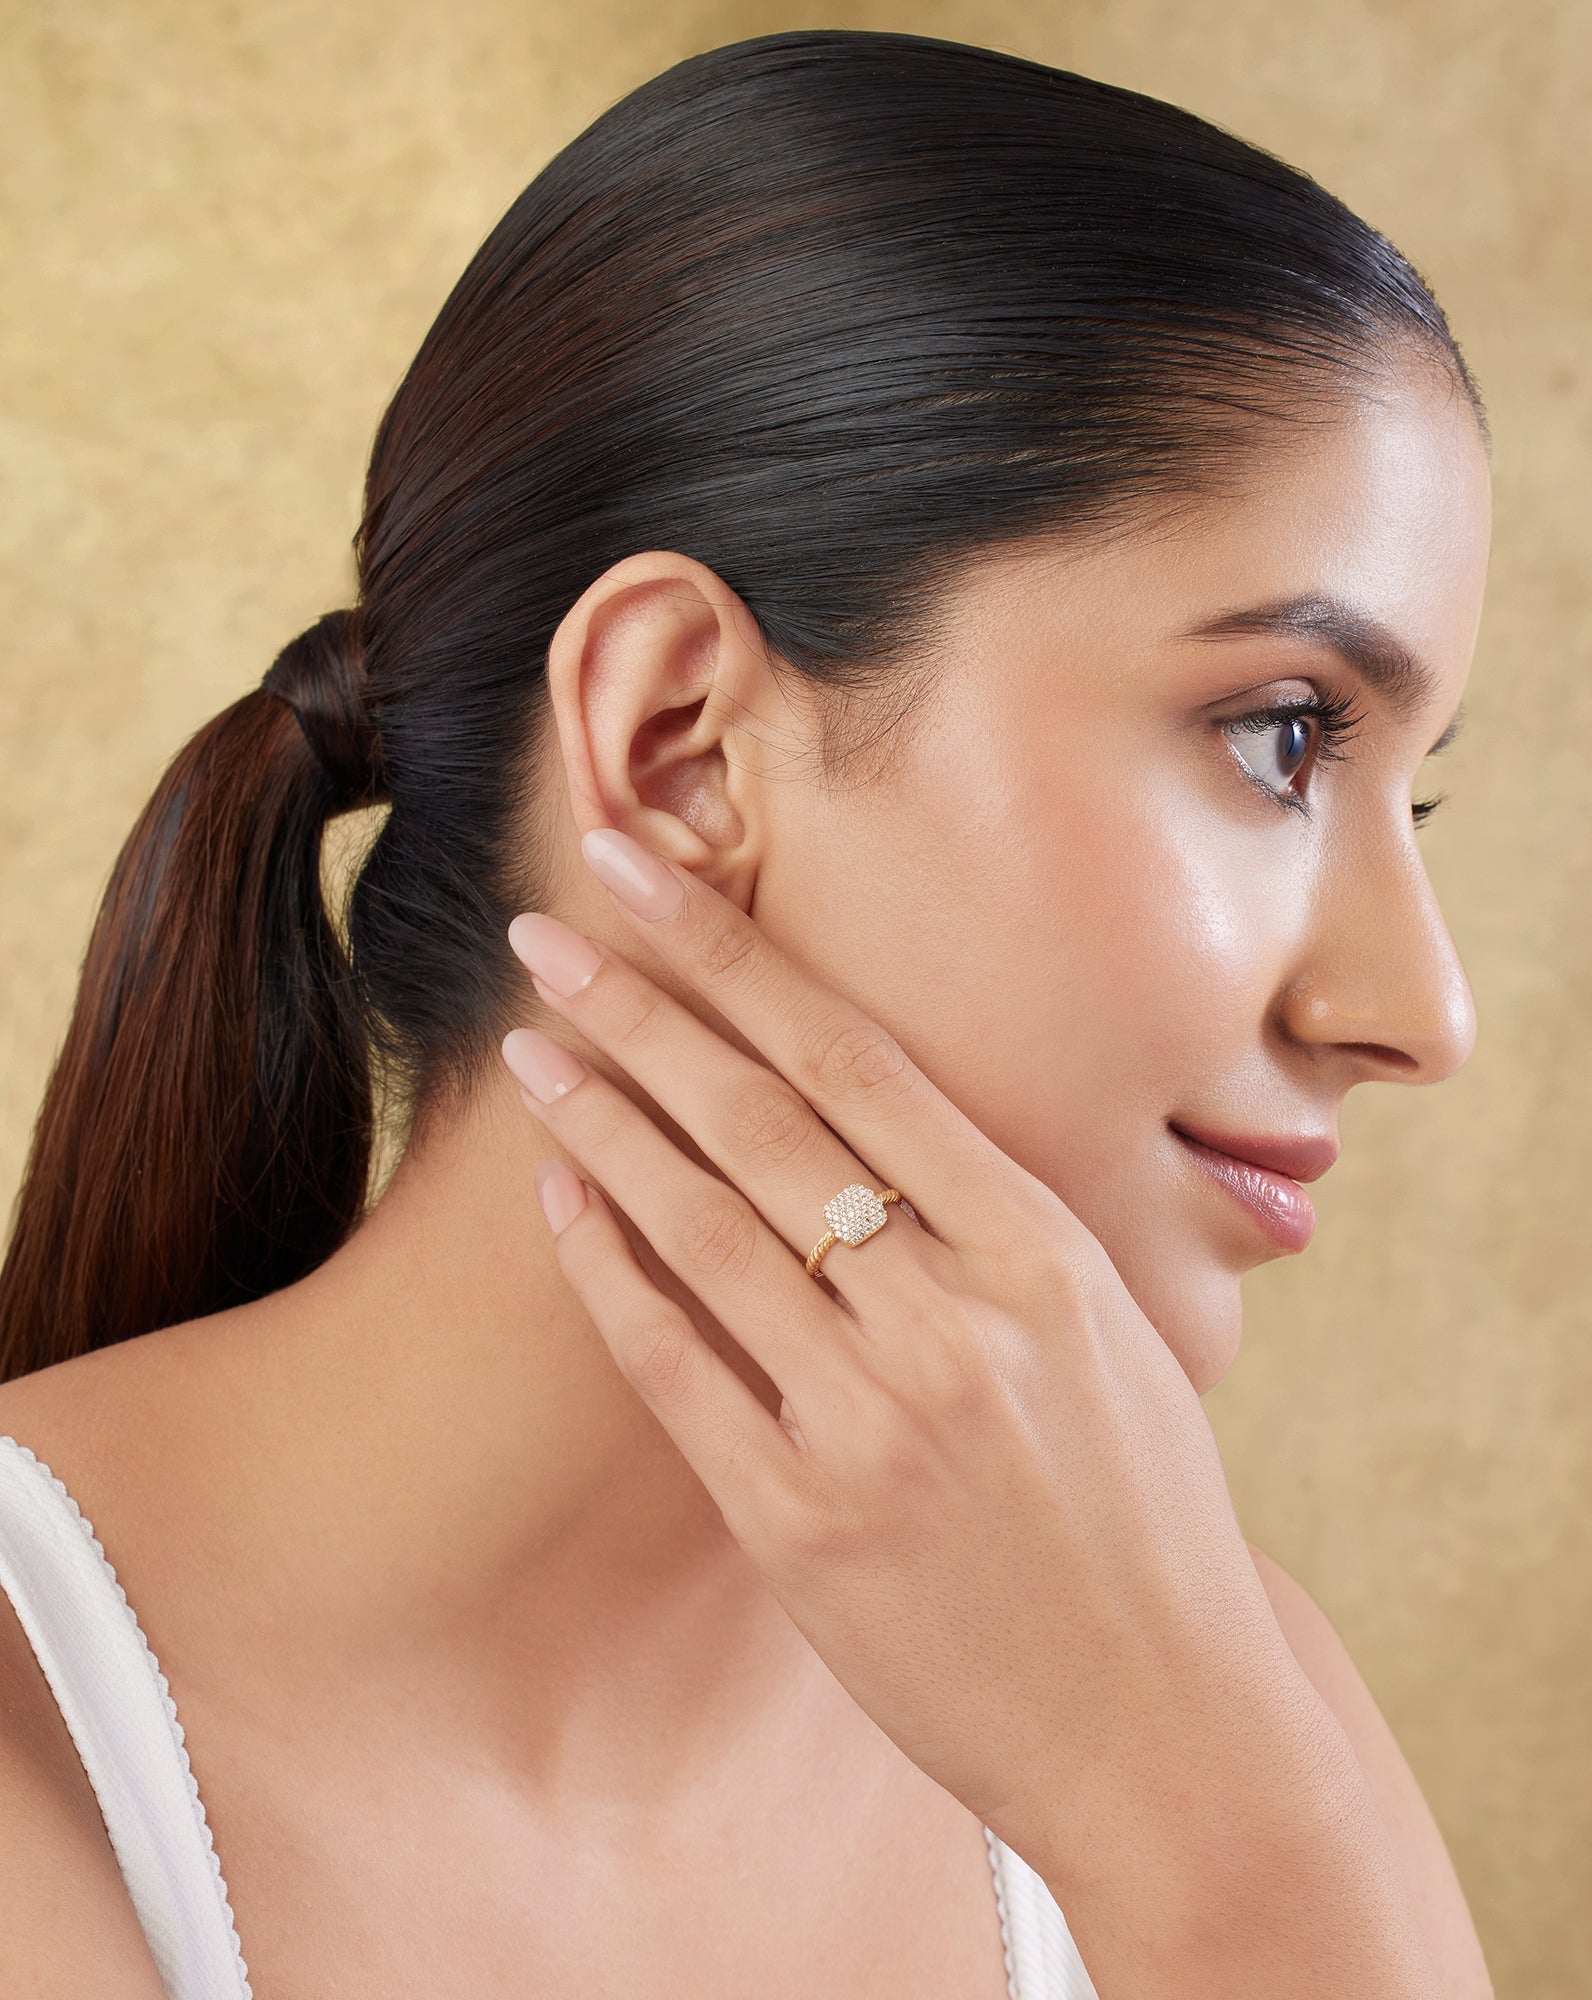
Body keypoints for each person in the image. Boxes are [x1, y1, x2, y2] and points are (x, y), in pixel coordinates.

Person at [0, 27, 1495, 1999]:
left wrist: (1207, 1830)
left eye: (1412, 797)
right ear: (678, 743)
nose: (1422, 1013)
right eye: (1280, 736)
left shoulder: (1213, 1707)